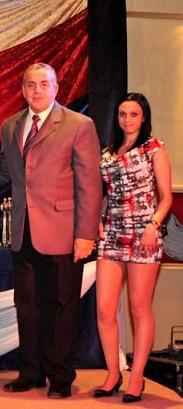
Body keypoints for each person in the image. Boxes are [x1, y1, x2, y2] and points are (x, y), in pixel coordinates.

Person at [0, 63, 102, 398]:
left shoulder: (79, 124)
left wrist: (85, 234)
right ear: (23, 90)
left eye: (44, 84)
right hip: (23, 231)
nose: (37, 90)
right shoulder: (10, 125)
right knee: (27, 306)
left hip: (64, 233)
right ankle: (31, 372)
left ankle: (60, 377)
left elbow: (89, 183)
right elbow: (3, 173)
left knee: (62, 306)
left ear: (56, 88)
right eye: (30, 84)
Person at [93, 93, 171, 403]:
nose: (127, 119)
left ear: (144, 117)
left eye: (133, 114)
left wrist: (153, 226)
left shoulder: (155, 148)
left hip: (144, 234)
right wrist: (98, 220)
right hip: (112, 233)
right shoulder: (108, 152)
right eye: (122, 114)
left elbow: (165, 197)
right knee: (104, 309)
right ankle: (113, 373)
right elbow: (106, 193)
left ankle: (137, 377)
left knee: (139, 307)